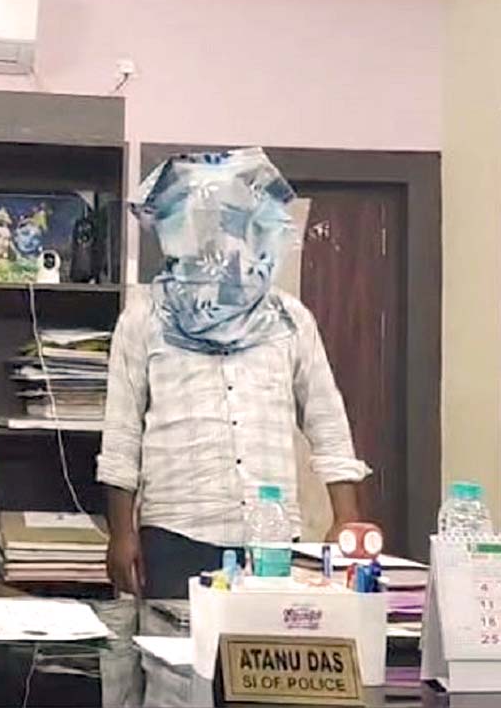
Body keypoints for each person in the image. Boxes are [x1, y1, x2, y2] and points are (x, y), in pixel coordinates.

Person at [98, 147, 371, 600]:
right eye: (203, 224)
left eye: (232, 222)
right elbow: (121, 434)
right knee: (173, 645)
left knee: (266, 644)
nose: (218, 239)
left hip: (272, 536)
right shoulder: (144, 318)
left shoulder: (289, 319)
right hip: (175, 532)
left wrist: (346, 517)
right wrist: (121, 533)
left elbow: (327, 420)